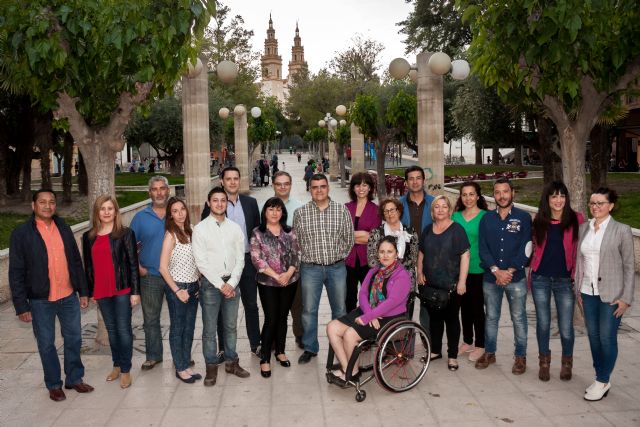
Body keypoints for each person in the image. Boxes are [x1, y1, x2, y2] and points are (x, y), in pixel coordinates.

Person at [9, 189, 93, 402]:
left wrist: (83, 291)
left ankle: (74, 378)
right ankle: (54, 384)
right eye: (43, 202)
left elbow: (75, 260)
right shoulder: (21, 234)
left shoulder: (64, 228)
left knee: (74, 338)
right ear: (33, 205)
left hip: (68, 296)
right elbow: (16, 272)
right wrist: (22, 306)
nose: (48, 206)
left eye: (52, 202)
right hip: (40, 301)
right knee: (46, 343)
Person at [575, 188, 635, 401]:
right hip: (587, 292)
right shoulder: (584, 228)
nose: (596, 207)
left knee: (607, 338)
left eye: (601, 203)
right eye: (592, 203)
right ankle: (601, 376)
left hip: (612, 294)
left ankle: (602, 379)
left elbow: (629, 266)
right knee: (593, 337)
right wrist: (577, 288)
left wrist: (626, 298)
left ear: (610, 205)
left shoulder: (622, 230)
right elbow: (579, 261)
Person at [327, 236, 411, 381]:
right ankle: (348, 368)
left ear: (397, 254)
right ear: (377, 253)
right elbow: (363, 293)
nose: (385, 255)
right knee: (332, 327)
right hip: (370, 311)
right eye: (382, 251)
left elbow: (392, 302)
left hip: (390, 316)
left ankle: (350, 374)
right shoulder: (374, 271)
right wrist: (369, 314)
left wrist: (368, 317)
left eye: (389, 252)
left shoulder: (402, 276)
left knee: (350, 335)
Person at [293, 173, 354, 364]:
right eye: (315, 187)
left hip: (337, 268)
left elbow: (349, 238)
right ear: (309, 189)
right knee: (309, 310)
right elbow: (297, 242)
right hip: (310, 269)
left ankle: (340, 345)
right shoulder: (300, 213)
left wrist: (339, 256)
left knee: (340, 309)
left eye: (322, 186)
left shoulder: (341, 210)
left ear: (328, 188)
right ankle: (310, 347)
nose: (319, 190)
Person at [201, 167, 262, 357]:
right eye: (229, 179)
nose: (233, 182)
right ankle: (221, 348)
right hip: (224, 265)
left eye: (236, 178)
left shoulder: (251, 203)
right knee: (222, 307)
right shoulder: (212, 206)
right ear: (222, 181)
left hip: (247, 261)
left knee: (251, 304)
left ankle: (255, 344)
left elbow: (258, 233)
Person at [193, 187, 251, 386]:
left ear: (227, 203)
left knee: (231, 326)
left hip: (232, 283)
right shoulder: (200, 229)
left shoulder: (234, 228)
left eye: (223, 200)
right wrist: (220, 285)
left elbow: (240, 259)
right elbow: (201, 262)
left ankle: (231, 362)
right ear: (208, 203)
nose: (219, 204)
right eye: (215, 200)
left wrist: (232, 283)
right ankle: (211, 367)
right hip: (211, 284)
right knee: (209, 329)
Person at [82, 195, 140, 389]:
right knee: (112, 331)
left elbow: (133, 264)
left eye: (110, 208)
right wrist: (89, 291)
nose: (106, 212)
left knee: (123, 330)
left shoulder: (125, 233)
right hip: (101, 290)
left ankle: (125, 370)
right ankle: (116, 364)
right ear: (97, 212)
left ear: (116, 211)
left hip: (122, 288)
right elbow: (88, 267)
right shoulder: (88, 236)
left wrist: (135, 292)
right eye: (102, 208)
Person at [476, 178, 532, 374]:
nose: (501, 196)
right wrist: (495, 271)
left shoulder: (523, 218)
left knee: (519, 317)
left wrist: (510, 271)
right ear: (494, 195)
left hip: (515, 279)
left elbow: (527, 247)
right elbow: (482, 248)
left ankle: (520, 356)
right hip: (491, 278)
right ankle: (490, 353)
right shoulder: (486, 219)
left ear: (512, 193)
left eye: (505, 191)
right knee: (491, 317)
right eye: (497, 192)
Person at [530, 181, 584, 382]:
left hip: (564, 280)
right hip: (540, 279)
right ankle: (544, 362)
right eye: (554, 196)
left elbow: (581, 251)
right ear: (547, 199)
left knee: (566, 326)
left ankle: (567, 363)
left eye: (562, 196)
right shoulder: (539, 220)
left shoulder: (577, 219)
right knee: (543, 323)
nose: (558, 200)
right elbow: (534, 247)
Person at [250, 197, 301, 378]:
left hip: (289, 280)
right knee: (271, 318)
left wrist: (287, 275)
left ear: (283, 213)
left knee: (282, 317)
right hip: (268, 282)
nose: (274, 213)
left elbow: (296, 254)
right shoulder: (258, 233)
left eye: (278, 209)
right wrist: (276, 275)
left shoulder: (290, 231)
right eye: (271, 209)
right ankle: (265, 358)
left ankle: (280, 351)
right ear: (265, 212)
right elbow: (257, 259)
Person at [417, 195, 470, 371]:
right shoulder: (427, 230)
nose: (440, 210)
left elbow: (465, 255)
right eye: (437, 207)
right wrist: (419, 272)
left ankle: (453, 356)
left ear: (450, 209)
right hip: (431, 284)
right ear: (433, 211)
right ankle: (436, 351)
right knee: (434, 319)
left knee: (452, 320)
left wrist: (462, 281)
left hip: (452, 285)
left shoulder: (457, 230)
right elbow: (421, 253)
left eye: (444, 207)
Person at [158, 197, 201, 384]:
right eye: (175, 211)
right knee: (178, 328)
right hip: (178, 288)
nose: (180, 213)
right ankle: (180, 367)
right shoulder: (170, 235)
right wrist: (177, 291)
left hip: (193, 286)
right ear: (170, 215)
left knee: (190, 328)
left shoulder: (191, 230)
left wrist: (198, 280)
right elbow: (162, 268)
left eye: (182, 209)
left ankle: (185, 362)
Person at [130, 176, 170, 371]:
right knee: (151, 319)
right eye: (155, 189)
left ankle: (182, 356)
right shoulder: (140, 217)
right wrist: (138, 268)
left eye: (163, 188)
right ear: (150, 193)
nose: (159, 192)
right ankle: (153, 356)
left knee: (180, 319)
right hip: (151, 276)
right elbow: (129, 247)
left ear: (168, 191)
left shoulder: (177, 212)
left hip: (176, 277)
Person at [452, 182, 488, 363]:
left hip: (478, 269)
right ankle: (467, 341)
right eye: (464, 194)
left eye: (471, 194)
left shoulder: (485, 217)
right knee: (463, 308)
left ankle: (481, 344)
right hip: (458, 271)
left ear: (478, 196)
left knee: (477, 309)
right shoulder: (455, 216)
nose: (468, 198)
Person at [271, 171, 304, 348]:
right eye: (279, 184)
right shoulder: (264, 206)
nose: (282, 187)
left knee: (298, 303)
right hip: (272, 267)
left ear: (291, 185)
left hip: (294, 265)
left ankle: (300, 335)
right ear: (273, 186)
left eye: (286, 183)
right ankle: (275, 337)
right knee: (274, 306)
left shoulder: (300, 207)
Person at [399, 165, 435, 330]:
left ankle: (427, 338)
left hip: (428, 259)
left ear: (423, 180)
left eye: (418, 178)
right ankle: (403, 342)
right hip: (404, 260)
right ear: (406, 182)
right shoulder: (398, 204)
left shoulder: (434, 203)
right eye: (411, 179)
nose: (415, 182)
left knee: (427, 303)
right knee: (404, 302)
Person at [345, 172, 381, 312]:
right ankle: (350, 327)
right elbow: (340, 234)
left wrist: (351, 235)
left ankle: (367, 328)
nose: (361, 188)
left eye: (365, 185)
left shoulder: (376, 210)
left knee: (367, 296)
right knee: (349, 297)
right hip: (348, 260)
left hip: (368, 261)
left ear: (370, 188)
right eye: (357, 185)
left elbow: (372, 237)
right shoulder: (346, 208)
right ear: (353, 188)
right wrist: (363, 235)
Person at [367, 198, 419, 283]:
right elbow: (372, 260)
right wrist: (388, 271)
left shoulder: (410, 232)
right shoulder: (376, 232)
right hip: (383, 280)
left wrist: (399, 271)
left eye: (392, 210)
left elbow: (414, 258)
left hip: (406, 278)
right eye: (386, 211)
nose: (389, 214)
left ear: (398, 211)